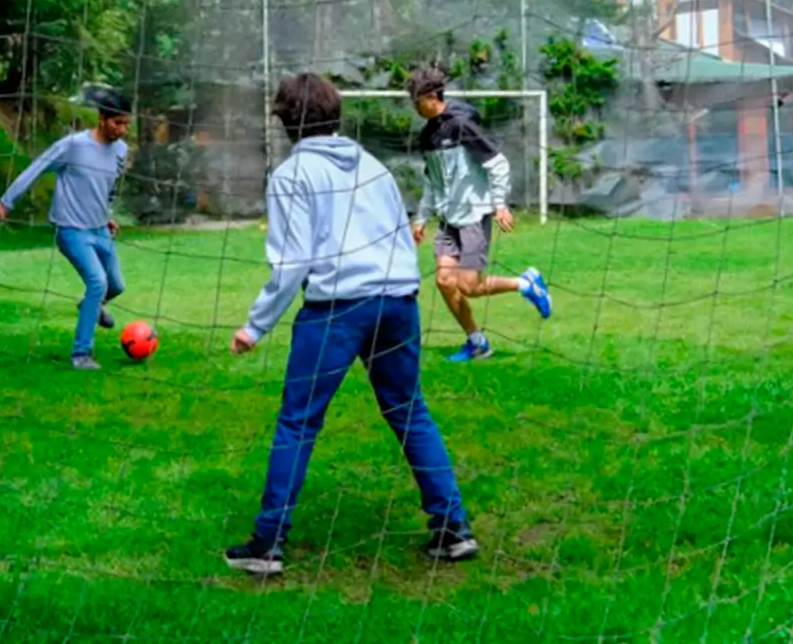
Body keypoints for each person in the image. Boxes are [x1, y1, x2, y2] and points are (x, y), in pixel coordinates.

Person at [225, 73, 477, 577]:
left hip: (339, 309)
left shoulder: (291, 176)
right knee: (409, 412)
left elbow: (292, 262)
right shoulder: (374, 166)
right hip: (398, 300)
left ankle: (266, 544)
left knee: (298, 421)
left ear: (285, 122)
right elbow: (404, 237)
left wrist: (255, 327)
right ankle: (454, 530)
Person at [407, 64, 551, 362]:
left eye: (416, 99)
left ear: (432, 96)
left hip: (474, 214)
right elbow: (432, 182)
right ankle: (477, 343)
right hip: (448, 220)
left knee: (469, 286)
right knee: (445, 282)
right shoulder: (427, 137)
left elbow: (497, 164)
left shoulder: (462, 127)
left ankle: (526, 284)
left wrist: (499, 204)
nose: (413, 105)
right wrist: (421, 218)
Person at [0, 85, 131, 371]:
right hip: (71, 230)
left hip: (100, 230)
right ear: (102, 119)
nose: (123, 130)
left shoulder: (121, 150)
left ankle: (89, 307)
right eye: (118, 123)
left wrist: (108, 215)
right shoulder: (73, 146)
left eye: (127, 124)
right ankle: (82, 355)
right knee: (97, 282)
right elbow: (36, 168)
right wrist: (6, 202)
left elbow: (109, 187)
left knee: (115, 285)